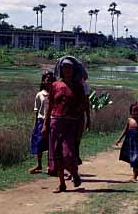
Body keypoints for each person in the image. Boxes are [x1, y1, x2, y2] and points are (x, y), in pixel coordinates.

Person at [42, 57, 87, 193]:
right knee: (57, 154)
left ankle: (74, 174)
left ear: (73, 70)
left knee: (68, 153)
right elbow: (50, 106)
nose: (67, 70)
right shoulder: (55, 85)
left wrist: (81, 123)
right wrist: (46, 124)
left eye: (70, 68)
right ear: (61, 70)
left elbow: (82, 105)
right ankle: (62, 184)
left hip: (71, 123)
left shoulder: (78, 86)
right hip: (56, 122)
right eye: (65, 68)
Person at [29, 71, 54, 174]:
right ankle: (39, 165)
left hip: (52, 120)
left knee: (50, 144)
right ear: (43, 81)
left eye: (51, 80)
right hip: (41, 120)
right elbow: (36, 110)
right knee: (39, 143)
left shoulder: (54, 93)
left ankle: (50, 165)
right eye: (47, 80)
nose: (49, 82)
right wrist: (35, 125)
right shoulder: (40, 95)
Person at [115, 102, 138, 182]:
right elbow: (125, 130)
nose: (135, 112)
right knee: (131, 158)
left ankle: (134, 175)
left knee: (136, 158)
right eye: (133, 111)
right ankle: (135, 173)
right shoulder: (129, 120)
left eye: (137, 111)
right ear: (131, 111)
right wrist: (119, 139)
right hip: (129, 142)